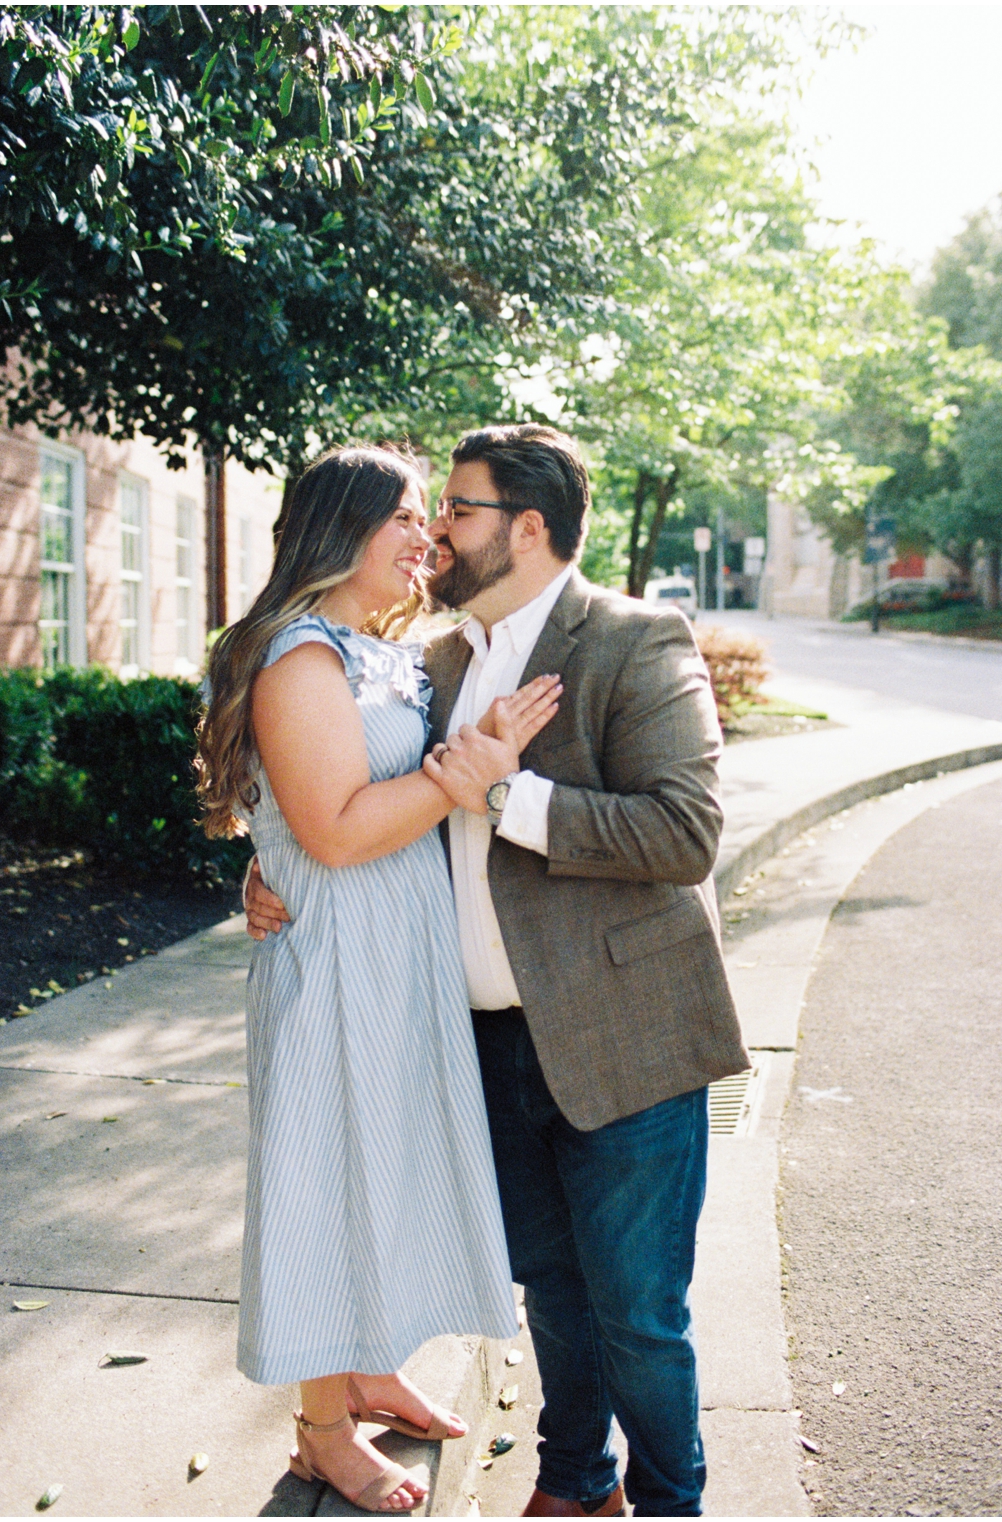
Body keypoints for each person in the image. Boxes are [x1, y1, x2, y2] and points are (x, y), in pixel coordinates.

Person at [245, 424, 750, 1518]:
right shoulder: (435, 658)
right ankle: (574, 1482)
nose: (435, 534)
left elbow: (685, 833)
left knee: (639, 1314)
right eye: (428, 513)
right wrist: (271, 867)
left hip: (621, 1036)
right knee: (554, 1295)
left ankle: (673, 1501)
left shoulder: (630, 635)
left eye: (457, 510)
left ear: (525, 528)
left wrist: (499, 793)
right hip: (477, 1040)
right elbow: (345, 789)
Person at [197, 445, 562, 1513]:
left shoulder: (374, 650)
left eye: (430, 520)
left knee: (385, 1168)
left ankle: (367, 1368)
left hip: (397, 961)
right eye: (404, 518)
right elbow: (339, 831)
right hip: (334, 966)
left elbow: (306, 817)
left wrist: (268, 858)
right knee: (326, 1179)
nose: (427, 538)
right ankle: (320, 1430)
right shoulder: (301, 657)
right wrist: (467, 775)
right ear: (338, 527)